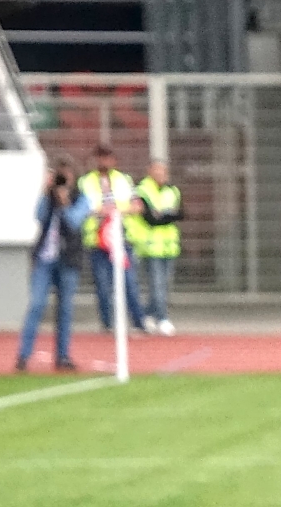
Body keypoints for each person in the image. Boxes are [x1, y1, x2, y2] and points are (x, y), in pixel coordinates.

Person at [15, 153, 90, 373]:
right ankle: (23, 355)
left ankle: (63, 356)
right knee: (36, 305)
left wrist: (66, 204)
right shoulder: (48, 197)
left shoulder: (81, 198)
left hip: (68, 260)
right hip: (45, 259)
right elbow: (38, 216)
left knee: (65, 309)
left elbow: (75, 223)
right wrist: (44, 191)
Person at [78, 144, 145, 334]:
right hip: (97, 240)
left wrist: (117, 211)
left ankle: (138, 322)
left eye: (107, 157)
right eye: (100, 157)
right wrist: (100, 211)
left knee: (129, 283)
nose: (103, 161)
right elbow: (83, 207)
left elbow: (137, 206)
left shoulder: (124, 180)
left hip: (122, 239)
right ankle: (107, 324)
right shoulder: (85, 182)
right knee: (102, 285)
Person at [133, 159, 183, 337]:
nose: (161, 174)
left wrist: (164, 214)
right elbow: (150, 218)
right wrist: (166, 215)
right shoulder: (142, 190)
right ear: (150, 171)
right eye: (157, 171)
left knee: (164, 285)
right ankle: (162, 318)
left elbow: (180, 213)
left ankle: (146, 314)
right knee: (157, 285)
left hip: (169, 247)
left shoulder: (173, 190)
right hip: (151, 247)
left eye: (163, 171)